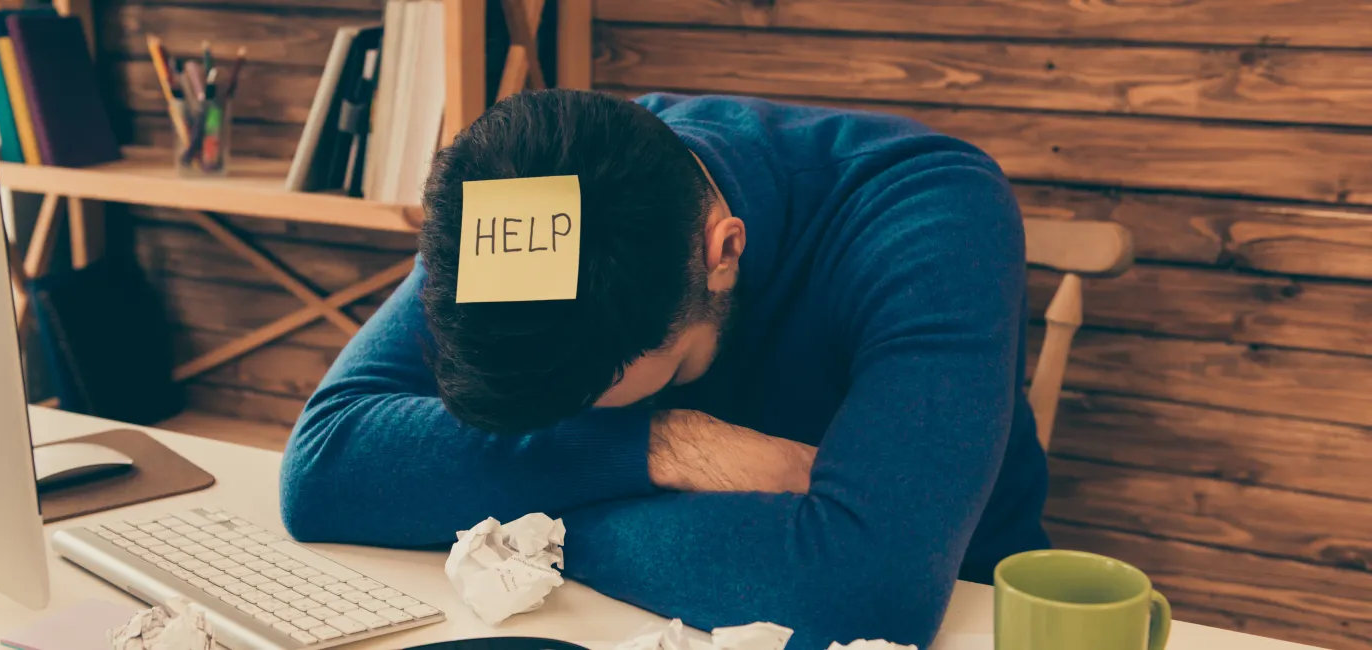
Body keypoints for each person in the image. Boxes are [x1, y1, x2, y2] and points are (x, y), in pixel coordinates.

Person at [279, 89, 1048, 649]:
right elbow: (323, 466)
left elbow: (861, 590)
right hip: (618, 616)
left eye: (607, 401)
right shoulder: (537, 186)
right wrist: (661, 444)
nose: (572, 426)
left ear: (724, 253)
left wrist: (523, 528)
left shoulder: (932, 211)